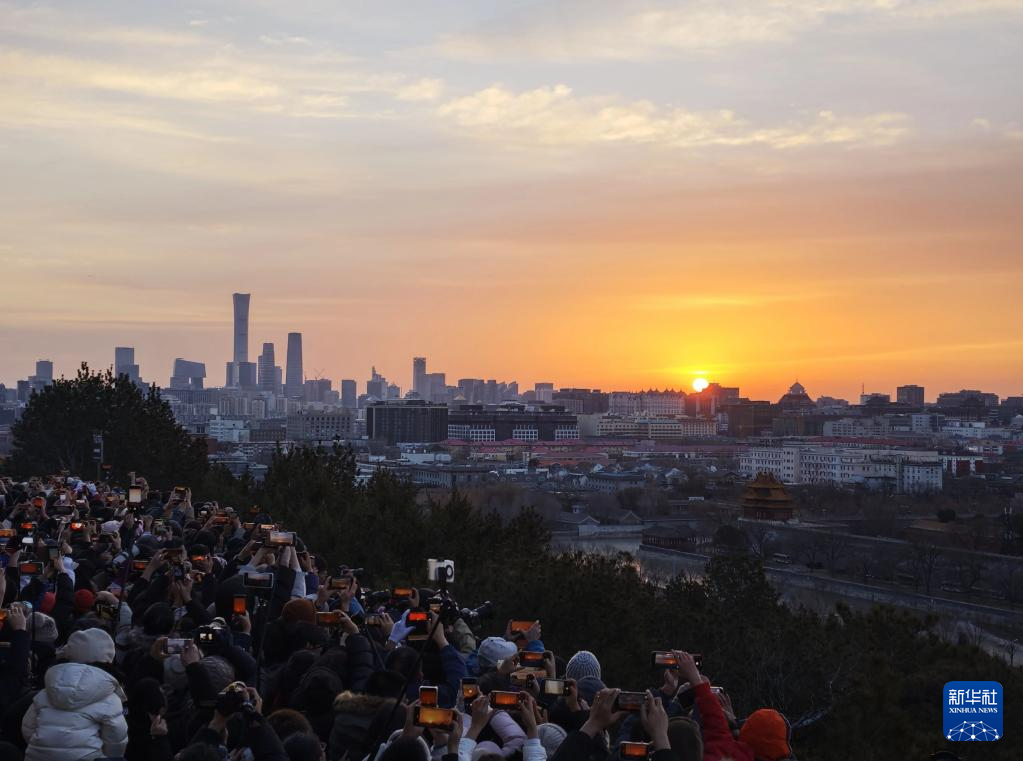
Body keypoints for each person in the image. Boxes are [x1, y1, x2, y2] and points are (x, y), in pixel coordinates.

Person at [21, 628, 129, 761]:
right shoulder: (109, 697)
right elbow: (116, 738)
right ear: (108, 659)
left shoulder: (48, 690)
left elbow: (28, 728)